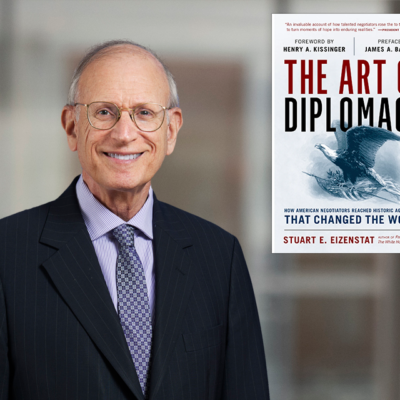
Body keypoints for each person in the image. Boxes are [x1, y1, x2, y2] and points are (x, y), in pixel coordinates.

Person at [0, 40, 269, 400]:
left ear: (170, 131)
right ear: (71, 127)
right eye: (105, 112)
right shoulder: (7, 255)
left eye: (144, 113)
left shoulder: (220, 257)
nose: (124, 134)